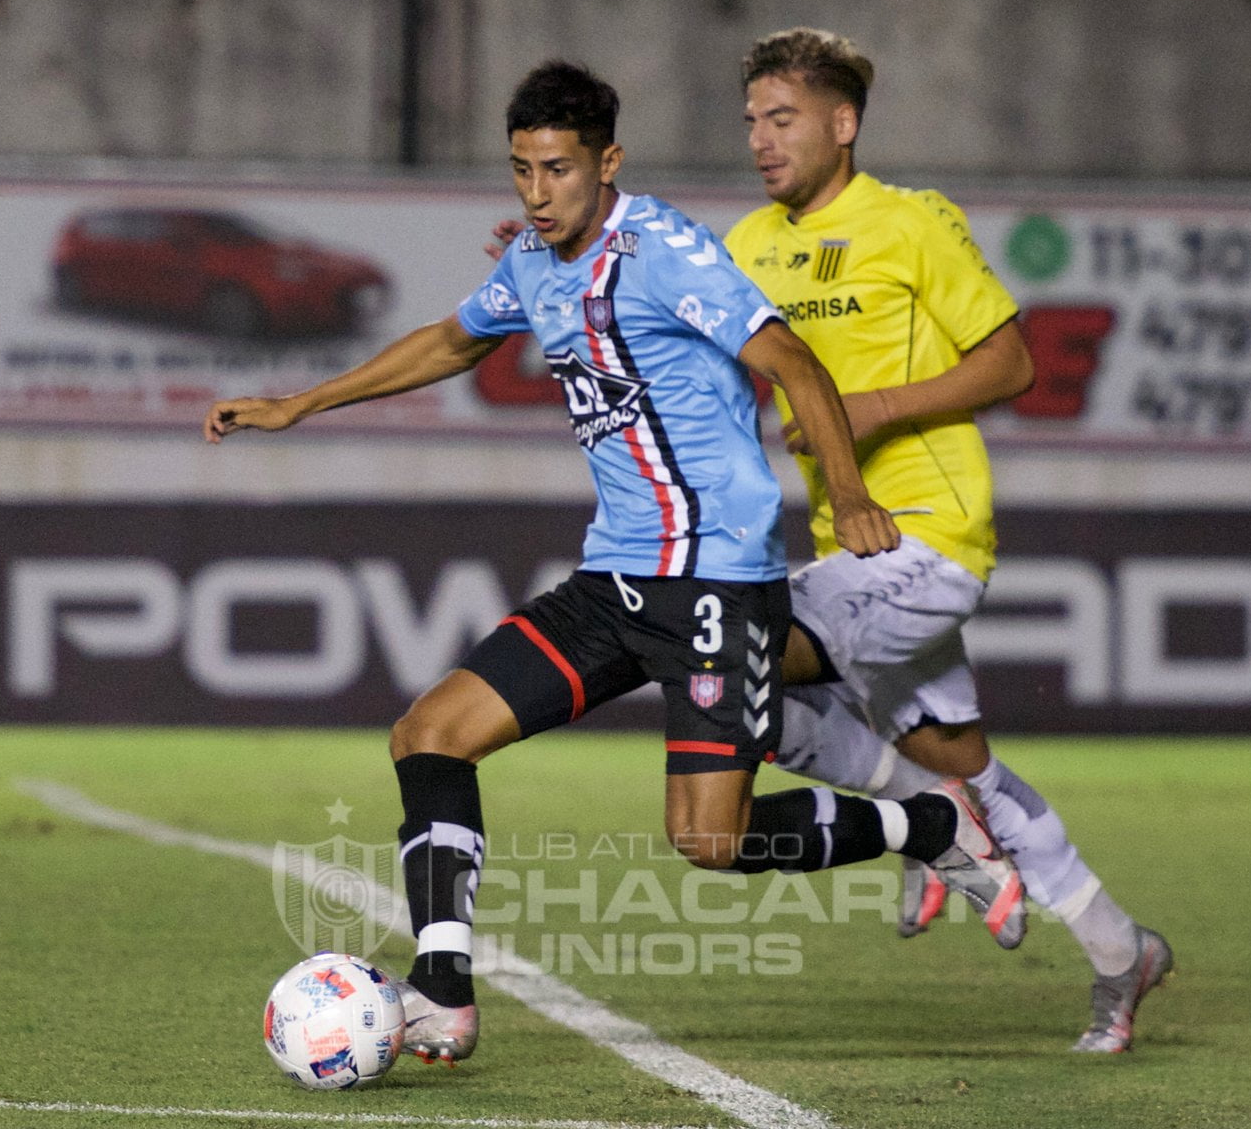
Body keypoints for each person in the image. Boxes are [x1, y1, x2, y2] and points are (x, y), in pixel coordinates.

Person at [205, 61, 1022, 1066]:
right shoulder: (534, 267)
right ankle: (443, 996)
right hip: (613, 583)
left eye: (555, 169)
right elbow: (448, 343)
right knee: (429, 736)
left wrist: (847, 494)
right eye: (520, 171)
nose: (536, 193)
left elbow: (791, 364)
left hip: (718, 581)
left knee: (707, 845)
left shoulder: (665, 250)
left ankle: (926, 824)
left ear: (606, 164)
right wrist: (297, 405)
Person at [724, 28, 1174, 1054]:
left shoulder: (910, 223)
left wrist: (876, 406)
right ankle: (1119, 953)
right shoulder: (748, 245)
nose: (760, 137)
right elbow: (660, 302)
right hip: (850, 554)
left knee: (723, 654)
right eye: (750, 119)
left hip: (927, 539)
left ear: (842, 124)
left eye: (781, 117)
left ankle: (927, 821)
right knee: (961, 760)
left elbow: (1013, 363)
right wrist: (554, 253)